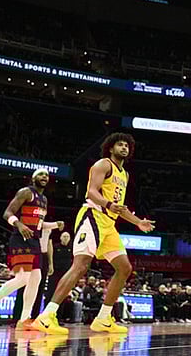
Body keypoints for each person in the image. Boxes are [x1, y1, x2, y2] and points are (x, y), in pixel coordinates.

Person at [34, 133, 155, 335]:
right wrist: (108, 204)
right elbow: (91, 192)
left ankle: (103, 318)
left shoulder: (124, 174)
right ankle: (47, 316)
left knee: (124, 268)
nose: (124, 147)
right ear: (110, 148)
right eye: (120, 144)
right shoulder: (103, 164)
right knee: (81, 266)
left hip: (109, 224)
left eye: (127, 145)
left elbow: (120, 207)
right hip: (92, 217)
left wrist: (138, 222)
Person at [0, 169, 57, 331]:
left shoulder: (44, 199)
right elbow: (7, 213)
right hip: (20, 240)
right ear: (33, 178)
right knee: (23, 279)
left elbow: (39, 224)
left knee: (36, 279)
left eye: (46, 175)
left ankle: (24, 319)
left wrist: (55, 225)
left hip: (34, 241)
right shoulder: (26, 192)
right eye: (41, 174)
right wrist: (19, 225)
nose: (44, 177)